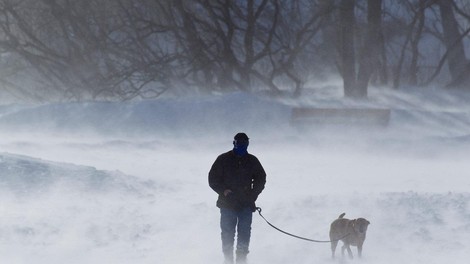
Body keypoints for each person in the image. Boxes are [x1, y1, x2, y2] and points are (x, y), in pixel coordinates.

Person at [209, 132, 266, 264]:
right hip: (227, 204)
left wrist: (253, 195)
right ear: (234, 143)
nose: (241, 146)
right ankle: (227, 260)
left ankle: (241, 260)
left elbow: (261, 178)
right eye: (239, 143)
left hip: (246, 204)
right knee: (227, 235)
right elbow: (213, 179)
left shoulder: (252, 161)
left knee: (244, 234)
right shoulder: (223, 159)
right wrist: (224, 191)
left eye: (244, 144)